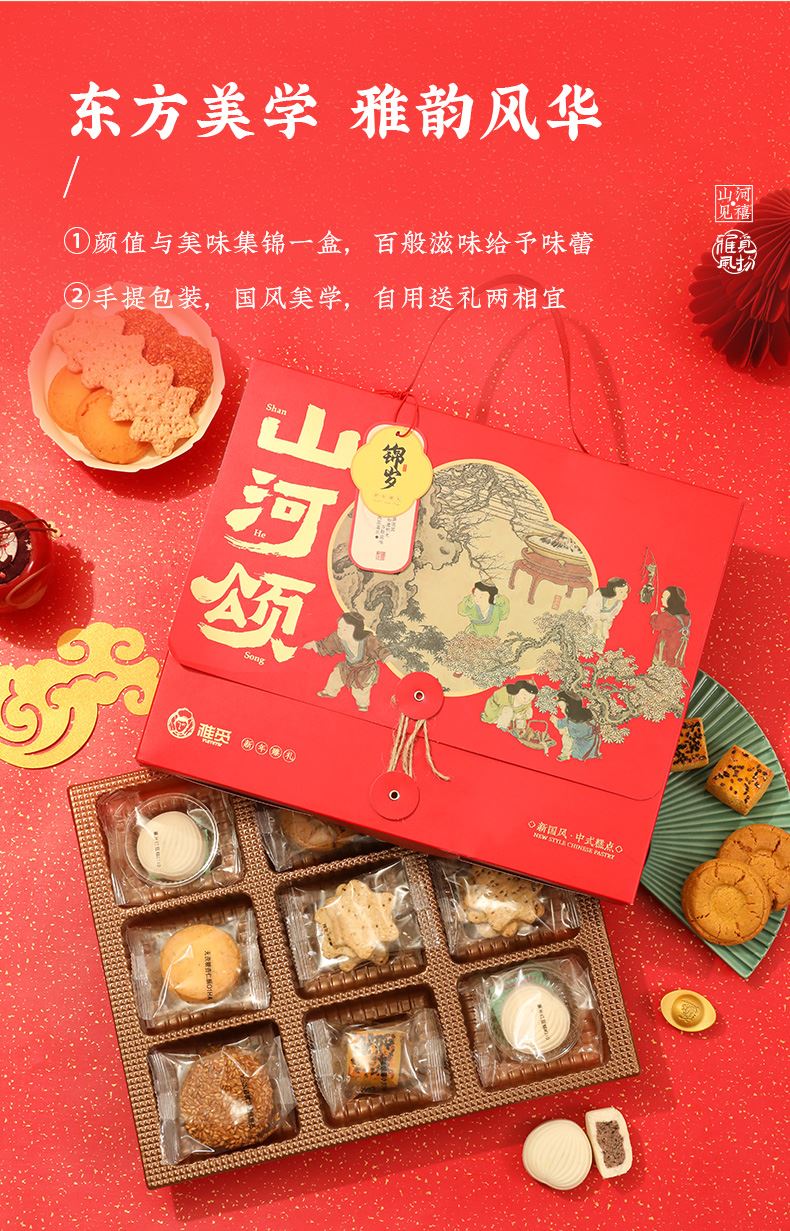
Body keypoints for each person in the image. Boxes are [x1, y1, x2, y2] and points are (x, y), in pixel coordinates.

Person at [303, 612, 386, 712]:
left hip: (366, 670)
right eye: (339, 628)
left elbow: (380, 649)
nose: (341, 631)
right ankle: (330, 692)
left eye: (346, 629)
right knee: (336, 675)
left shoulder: (368, 639)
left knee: (361, 689)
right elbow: (327, 644)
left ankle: (363, 704)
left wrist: (386, 656)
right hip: (348, 666)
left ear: (357, 629)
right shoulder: (339, 638)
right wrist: (314, 645)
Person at [446, 580, 511, 683]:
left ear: (491, 597)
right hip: (472, 635)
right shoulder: (473, 607)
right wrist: (469, 600)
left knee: (486, 659)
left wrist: (498, 598)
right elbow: (461, 610)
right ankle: (460, 668)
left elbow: (505, 613)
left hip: (489, 639)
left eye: (481, 596)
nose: (477, 599)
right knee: (467, 649)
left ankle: (479, 674)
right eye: (475, 595)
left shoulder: (497, 609)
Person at [583, 577, 629, 650]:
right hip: (589, 618)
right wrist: (598, 621)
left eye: (626, 591)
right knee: (588, 634)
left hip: (603, 622)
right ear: (612, 591)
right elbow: (590, 610)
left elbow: (612, 616)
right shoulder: (599, 595)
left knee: (601, 637)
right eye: (621, 592)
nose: (624, 594)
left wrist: (605, 624)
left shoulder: (619, 603)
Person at [650, 586, 691, 667]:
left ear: (672, 600)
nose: (661, 599)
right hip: (677, 649)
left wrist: (654, 616)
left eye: (664, 597)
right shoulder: (686, 615)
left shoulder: (668, 616)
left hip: (665, 651)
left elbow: (656, 625)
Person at [555, 691, 601, 761]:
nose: (561, 711)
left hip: (584, 749)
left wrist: (558, 725)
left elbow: (569, 733)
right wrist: (556, 721)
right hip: (585, 742)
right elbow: (562, 722)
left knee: (567, 735)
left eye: (561, 707)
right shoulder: (579, 714)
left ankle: (565, 755)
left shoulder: (577, 722)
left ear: (569, 707)